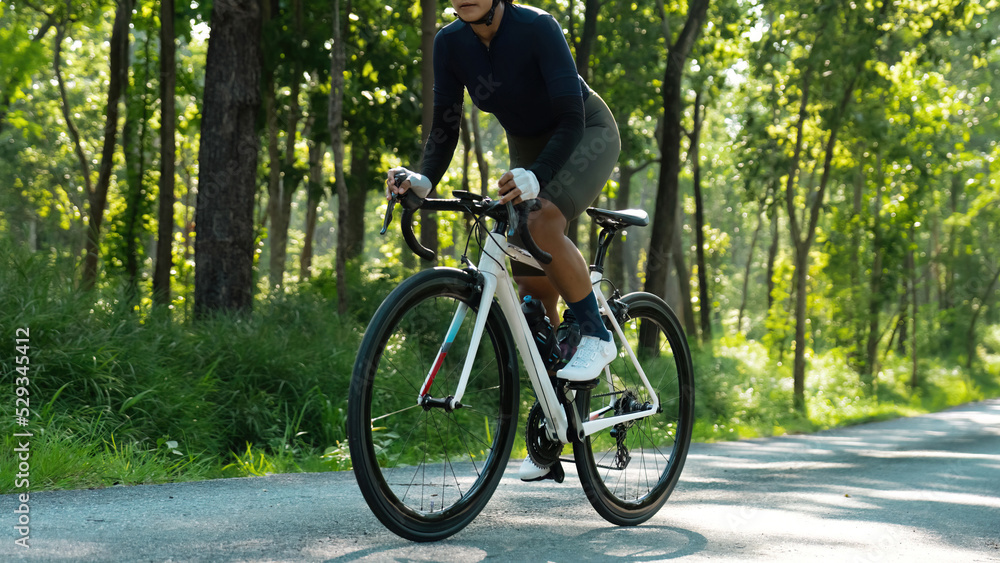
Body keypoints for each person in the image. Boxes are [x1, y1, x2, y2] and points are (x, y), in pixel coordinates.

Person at [386, 0, 621, 481]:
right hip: (527, 143)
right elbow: (445, 126)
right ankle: (558, 424)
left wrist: (538, 175)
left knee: (539, 222)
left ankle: (596, 334)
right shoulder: (450, 42)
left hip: (582, 132)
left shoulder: (537, 28)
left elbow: (572, 119)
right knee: (531, 288)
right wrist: (424, 179)